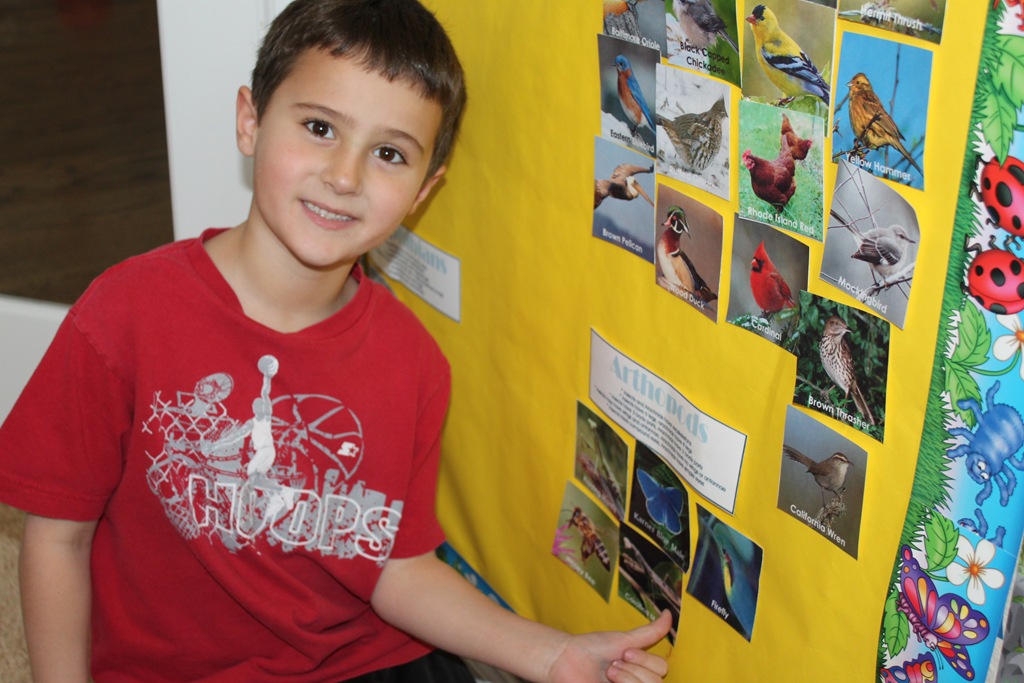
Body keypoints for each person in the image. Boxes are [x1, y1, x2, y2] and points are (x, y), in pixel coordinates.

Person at [0, 0, 673, 681]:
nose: (346, 176)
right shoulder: (124, 312)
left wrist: (550, 651)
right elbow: (57, 535)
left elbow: (394, 566)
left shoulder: (414, 362)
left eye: (388, 153)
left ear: (422, 190)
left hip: (364, 661)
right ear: (250, 120)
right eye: (320, 127)